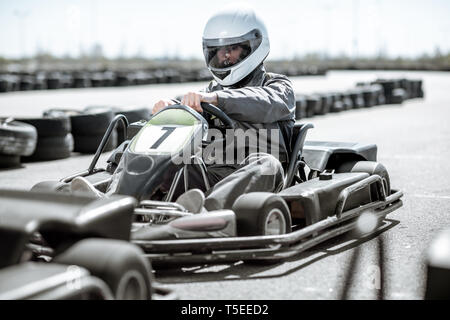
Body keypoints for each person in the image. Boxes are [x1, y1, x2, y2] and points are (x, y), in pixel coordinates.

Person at [72, 5, 295, 211]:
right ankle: (113, 202)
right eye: (218, 50)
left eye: (233, 48)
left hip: (253, 178)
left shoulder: (277, 86)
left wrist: (216, 98)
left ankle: (209, 213)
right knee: (147, 148)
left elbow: (262, 101)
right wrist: (170, 109)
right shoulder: (208, 92)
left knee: (268, 163)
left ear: (253, 46)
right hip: (208, 175)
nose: (224, 56)